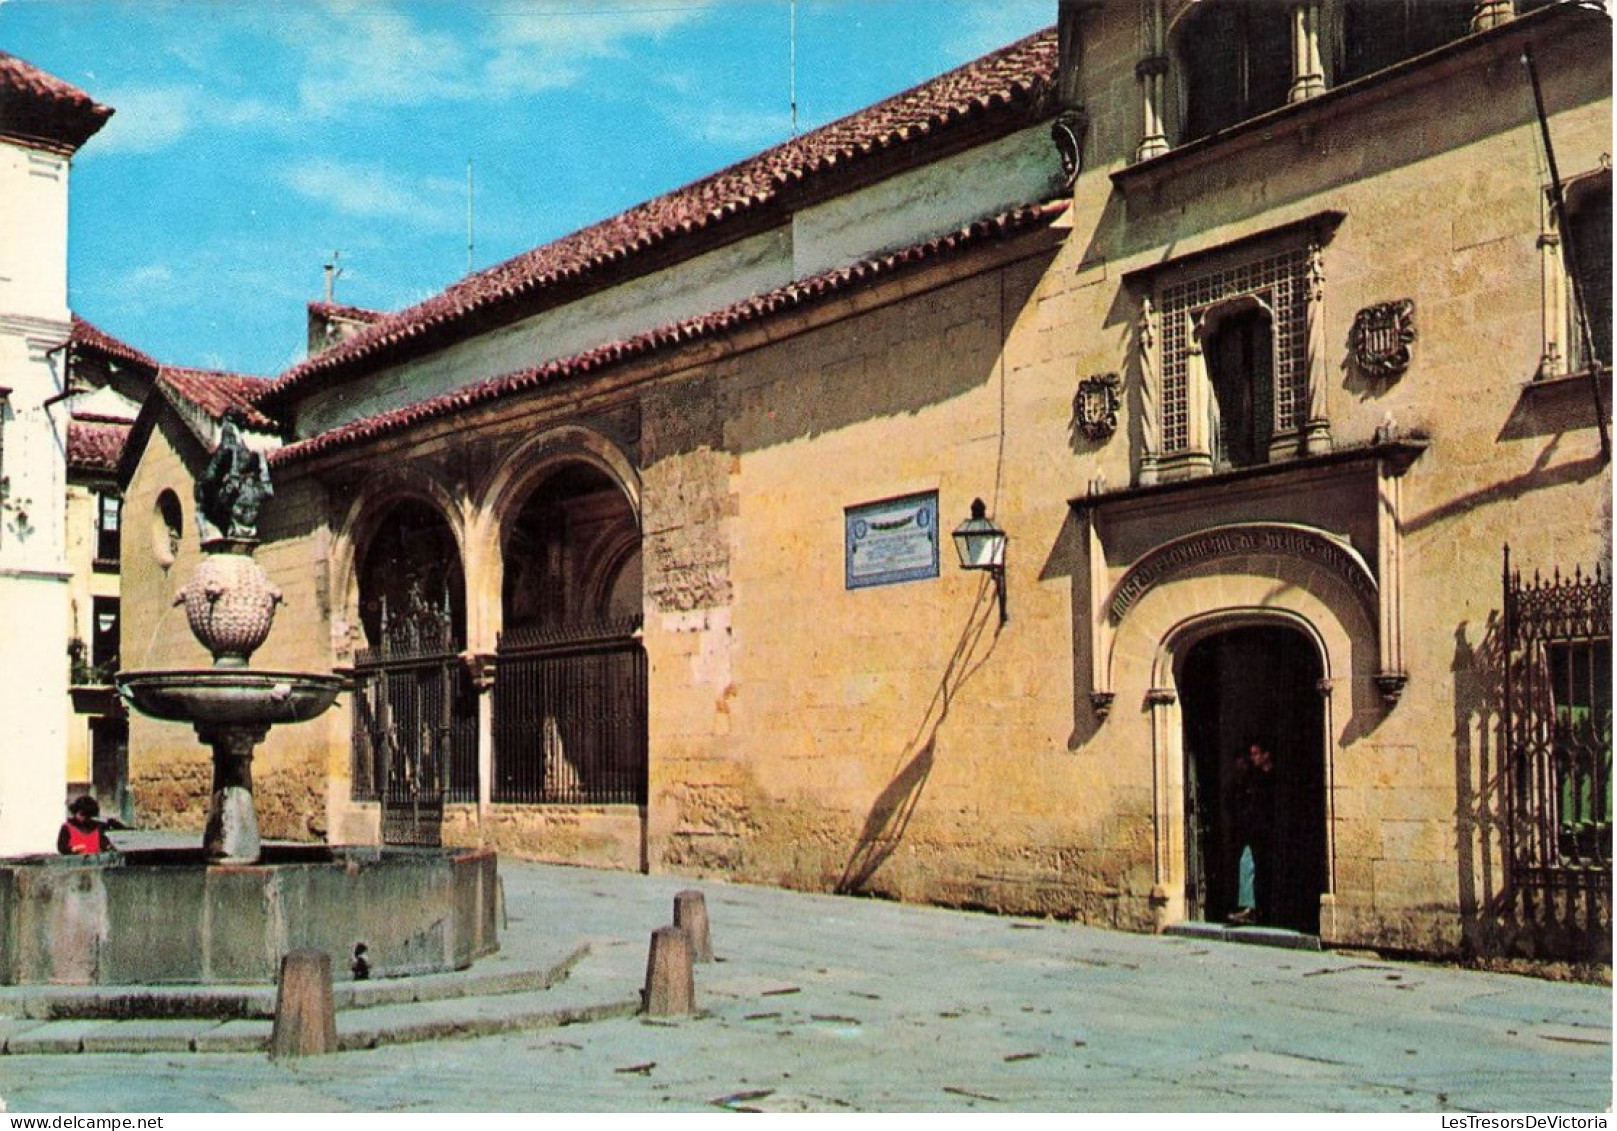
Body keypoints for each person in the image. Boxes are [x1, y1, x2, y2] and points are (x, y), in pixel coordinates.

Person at [1228, 742, 1275, 925]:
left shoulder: (1273, 778)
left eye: (1256, 753)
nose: (1252, 758)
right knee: (1247, 862)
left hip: (1267, 833)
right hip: (1254, 833)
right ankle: (1250, 909)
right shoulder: (1254, 778)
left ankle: (1258, 910)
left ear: (1266, 754)